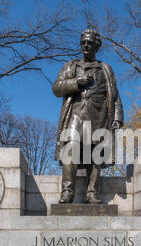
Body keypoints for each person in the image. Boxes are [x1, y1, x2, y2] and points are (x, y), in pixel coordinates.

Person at [52, 28, 124, 204]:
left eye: (89, 42)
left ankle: (91, 192)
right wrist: (76, 82)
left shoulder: (105, 68)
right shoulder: (71, 66)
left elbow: (114, 96)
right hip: (75, 114)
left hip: (99, 115)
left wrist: (117, 117)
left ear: (96, 46)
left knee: (96, 153)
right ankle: (67, 191)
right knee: (71, 146)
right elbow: (57, 88)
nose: (85, 45)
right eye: (83, 42)